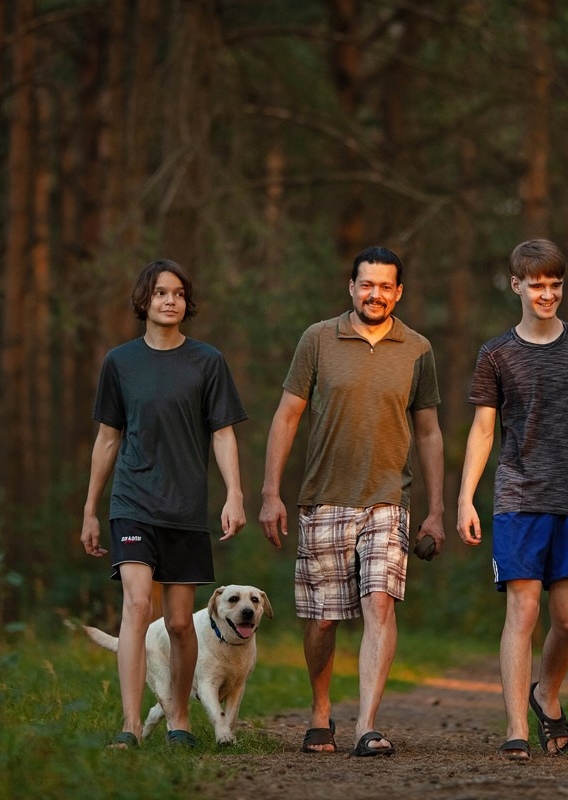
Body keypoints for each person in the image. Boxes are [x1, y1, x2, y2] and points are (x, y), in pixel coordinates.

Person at [259, 245, 445, 757]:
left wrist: (436, 509)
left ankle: (367, 723)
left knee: (379, 604)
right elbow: (287, 416)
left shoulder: (418, 348)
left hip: (389, 498)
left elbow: (428, 432)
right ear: (351, 287)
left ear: (399, 292)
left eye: (386, 286)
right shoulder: (317, 339)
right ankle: (321, 714)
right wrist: (271, 493)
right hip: (323, 497)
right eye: (367, 284)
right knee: (322, 619)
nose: (375, 294)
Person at [456, 238, 568, 761]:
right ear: (517, 285)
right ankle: (515, 726)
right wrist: (465, 498)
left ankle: (546, 694)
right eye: (537, 285)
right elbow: (483, 432)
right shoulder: (496, 353)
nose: (547, 294)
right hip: (518, 495)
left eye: (555, 285)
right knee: (524, 608)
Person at [80, 259, 249, 750]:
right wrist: (91, 508)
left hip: (186, 507)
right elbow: (107, 438)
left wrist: (234, 494)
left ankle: (180, 718)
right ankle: (130, 726)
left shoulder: (207, 362)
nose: (169, 300)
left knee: (179, 622)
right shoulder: (120, 363)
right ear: (144, 301)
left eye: (177, 293)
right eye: (159, 293)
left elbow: (222, 434)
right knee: (137, 606)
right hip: (132, 501)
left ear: (186, 302)